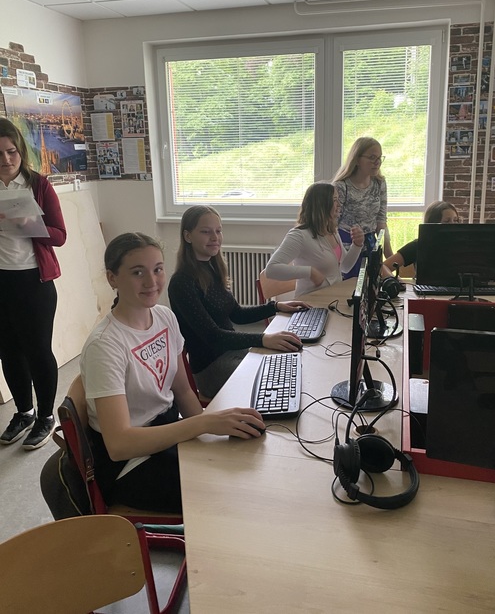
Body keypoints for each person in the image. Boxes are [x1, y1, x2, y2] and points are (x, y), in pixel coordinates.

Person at [80, 232, 266, 513]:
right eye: (137, 272)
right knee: (233, 495)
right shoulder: (104, 346)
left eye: (157, 269)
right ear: (112, 278)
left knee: (243, 461)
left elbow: (183, 392)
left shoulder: (165, 317)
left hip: (169, 435)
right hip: (132, 465)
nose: (151, 282)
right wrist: (204, 425)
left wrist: (210, 433)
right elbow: (119, 445)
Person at [168, 206, 306, 400]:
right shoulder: (181, 283)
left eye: (218, 231)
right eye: (206, 232)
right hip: (211, 369)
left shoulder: (212, 268)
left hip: (233, 352)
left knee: (290, 362)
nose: (215, 237)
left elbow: (237, 314)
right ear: (188, 236)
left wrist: (275, 307)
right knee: (275, 380)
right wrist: (263, 339)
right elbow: (214, 337)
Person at [0, 117, 67, 450]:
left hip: (33, 281)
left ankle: (45, 416)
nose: (6, 159)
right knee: (8, 351)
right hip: (1, 281)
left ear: (20, 151)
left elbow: (60, 235)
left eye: (11, 151)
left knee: (38, 351)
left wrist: (28, 223)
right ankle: (24, 413)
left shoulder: (38, 186)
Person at [265, 182, 364, 297]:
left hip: (332, 297)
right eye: (334, 200)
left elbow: (345, 267)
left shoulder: (332, 231)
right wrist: (310, 272)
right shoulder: (299, 235)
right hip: (310, 301)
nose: (339, 205)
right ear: (322, 205)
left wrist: (357, 245)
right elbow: (271, 270)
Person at [333, 136, 393, 277]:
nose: (377, 162)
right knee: (349, 286)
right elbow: (332, 223)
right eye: (372, 157)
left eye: (379, 158)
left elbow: (381, 221)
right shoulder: (342, 186)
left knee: (372, 285)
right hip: (346, 245)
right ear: (357, 159)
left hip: (371, 244)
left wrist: (389, 254)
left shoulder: (379, 183)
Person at [383, 200, 459, 274]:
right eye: (447, 221)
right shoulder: (418, 245)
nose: (453, 225)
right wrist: (394, 280)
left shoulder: (462, 245)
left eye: (455, 220)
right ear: (433, 223)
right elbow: (384, 266)